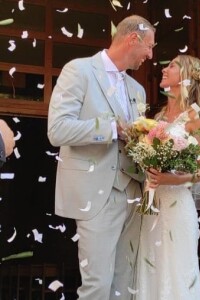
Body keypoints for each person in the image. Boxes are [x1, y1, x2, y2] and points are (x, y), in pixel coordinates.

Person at [47, 15, 156, 300]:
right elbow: (57, 130)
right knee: (97, 284)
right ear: (133, 38)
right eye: (149, 46)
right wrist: (110, 129)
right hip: (95, 194)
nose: (150, 55)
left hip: (132, 192)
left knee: (125, 283)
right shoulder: (79, 71)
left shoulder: (138, 89)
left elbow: (138, 141)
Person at [134, 55, 200, 299]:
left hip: (176, 207)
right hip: (152, 206)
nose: (164, 68)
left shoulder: (195, 118)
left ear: (185, 77)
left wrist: (170, 179)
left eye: (172, 65)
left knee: (177, 274)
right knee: (150, 271)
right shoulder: (158, 117)